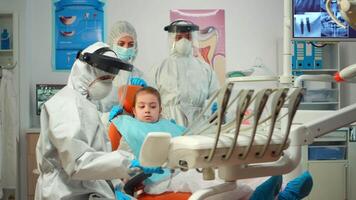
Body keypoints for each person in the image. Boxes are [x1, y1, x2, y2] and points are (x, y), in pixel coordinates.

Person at [108, 86, 313, 199]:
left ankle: (284, 191)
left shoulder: (171, 126)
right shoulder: (127, 127)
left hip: (188, 167)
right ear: (133, 110)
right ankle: (263, 197)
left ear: (160, 109)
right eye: (142, 106)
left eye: (152, 106)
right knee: (217, 182)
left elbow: (194, 137)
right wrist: (133, 171)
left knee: (235, 170)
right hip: (161, 180)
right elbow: (121, 163)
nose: (147, 110)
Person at [35, 42, 162, 200]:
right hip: (65, 193)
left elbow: (98, 157)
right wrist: (130, 162)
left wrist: (118, 184)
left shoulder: (84, 104)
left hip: (83, 190)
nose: (107, 85)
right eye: (103, 78)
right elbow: (78, 162)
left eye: (110, 79)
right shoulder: (66, 105)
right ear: (85, 71)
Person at [149, 20, 220, 127]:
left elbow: (217, 96)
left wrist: (216, 109)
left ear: (193, 40)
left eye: (188, 37)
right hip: (168, 124)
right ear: (172, 40)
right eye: (179, 37)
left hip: (199, 127)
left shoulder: (205, 68)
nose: (184, 41)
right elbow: (149, 100)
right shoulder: (159, 68)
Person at [100, 20, 147, 113]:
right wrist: (106, 118)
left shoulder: (138, 75)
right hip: (104, 125)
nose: (126, 48)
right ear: (111, 45)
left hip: (130, 125)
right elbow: (91, 107)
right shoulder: (101, 72)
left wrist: (145, 91)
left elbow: (148, 106)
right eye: (121, 44)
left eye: (130, 44)